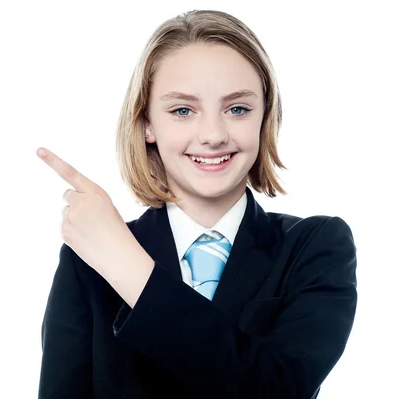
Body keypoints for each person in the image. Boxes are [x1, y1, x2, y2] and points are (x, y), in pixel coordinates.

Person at [36, 9, 357, 399]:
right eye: (183, 111)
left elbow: (279, 389)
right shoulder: (87, 259)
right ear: (146, 123)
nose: (213, 135)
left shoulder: (316, 245)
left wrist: (129, 267)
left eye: (237, 108)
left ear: (264, 117)